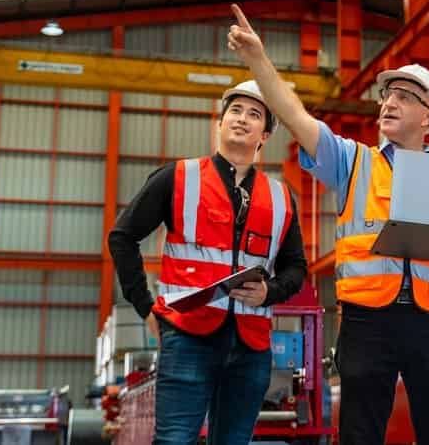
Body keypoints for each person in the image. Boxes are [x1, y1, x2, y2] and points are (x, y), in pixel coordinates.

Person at [226, 4, 429, 445]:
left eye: (404, 97)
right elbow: (295, 117)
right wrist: (258, 59)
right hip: (368, 323)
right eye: (387, 96)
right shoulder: (352, 161)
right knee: (359, 433)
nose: (389, 103)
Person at [108, 80, 307, 445]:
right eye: (235, 110)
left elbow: (297, 268)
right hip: (187, 336)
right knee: (174, 440)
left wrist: (269, 292)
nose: (242, 119)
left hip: (252, 346)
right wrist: (145, 306)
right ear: (219, 123)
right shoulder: (178, 177)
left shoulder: (282, 198)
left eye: (254, 114)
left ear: (264, 135)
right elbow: (122, 237)